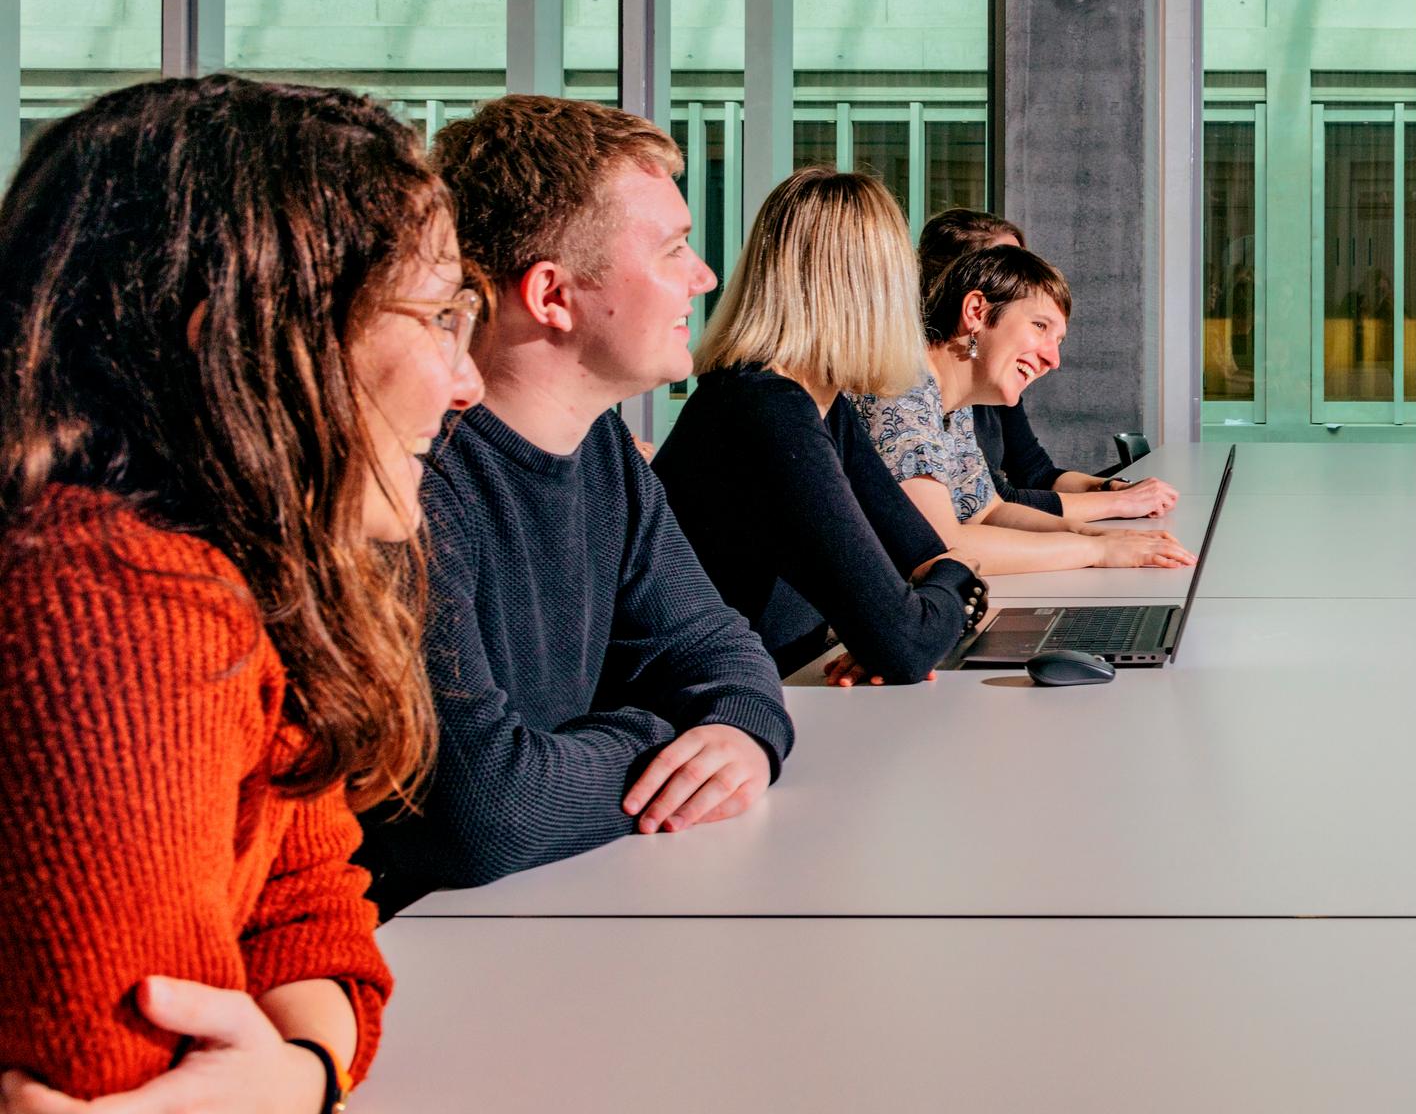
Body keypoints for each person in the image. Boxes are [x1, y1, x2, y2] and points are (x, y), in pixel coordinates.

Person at [0, 76, 483, 1106]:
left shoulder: (232, 573)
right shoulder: (113, 602)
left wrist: (297, 1072)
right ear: (245, 337)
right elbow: (120, 1076)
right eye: (439, 314)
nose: (465, 378)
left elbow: (310, 905)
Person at [354, 95, 794, 917]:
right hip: (422, 968)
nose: (704, 277)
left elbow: (719, 649)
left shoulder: (601, 450)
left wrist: (739, 734)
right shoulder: (408, 482)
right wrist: (661, 739)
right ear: (553, 296)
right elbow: (486, 811)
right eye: (673, 250)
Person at [654, 168, 987, 688]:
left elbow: (925, 558)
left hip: (780, 698)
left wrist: (921, 602)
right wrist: (946, 586)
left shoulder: (818, 403)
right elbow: (906, 639)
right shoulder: (765, 410)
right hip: (722, 722)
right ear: (876, 290)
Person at [855, 244, 1196, 576]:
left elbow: (988, 512)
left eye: (1058, 340)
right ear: (976, 311)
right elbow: (941, 546)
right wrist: (1097, 551)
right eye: (1040, 326)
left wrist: (1096, 535)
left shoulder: (950, 405)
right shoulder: (900, 389)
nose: (1053, 359)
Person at [918, 208, 1178, 525]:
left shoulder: (966, 399)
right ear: (973, 301)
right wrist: (1111, 513)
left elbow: (1011, 490)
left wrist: (1109, 502)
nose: (1053, 360)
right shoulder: (912, 393)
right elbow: (956, 536)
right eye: (1039, 325)